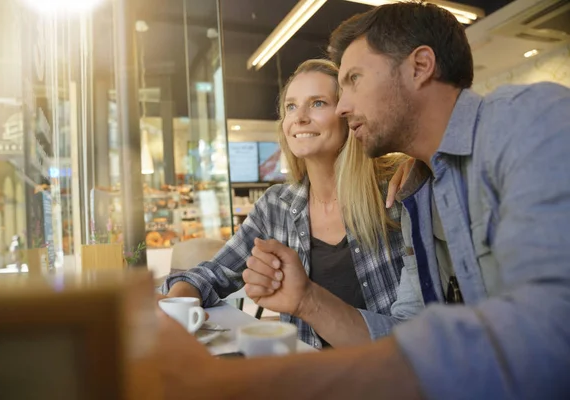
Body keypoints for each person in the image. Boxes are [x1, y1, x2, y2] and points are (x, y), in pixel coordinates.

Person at [156, 2, 570, 399]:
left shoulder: (527, 121)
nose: (345, 105)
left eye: (351, 81)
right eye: (293, 106)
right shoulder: (420, 186)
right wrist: (304, 307)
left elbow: (544, 332)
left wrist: (262, 378)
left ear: (420, 66)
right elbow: (414, 333)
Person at [161, 59, 423, 348]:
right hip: (307, 377)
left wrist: (422, 164)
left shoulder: (395, 193)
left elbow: (421, 328)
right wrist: (178, 302)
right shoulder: (277, 205)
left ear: (348, 114)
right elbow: (213, 274)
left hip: (387, 377)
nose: (299, 117)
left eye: (318, 103)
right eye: (291, 106)